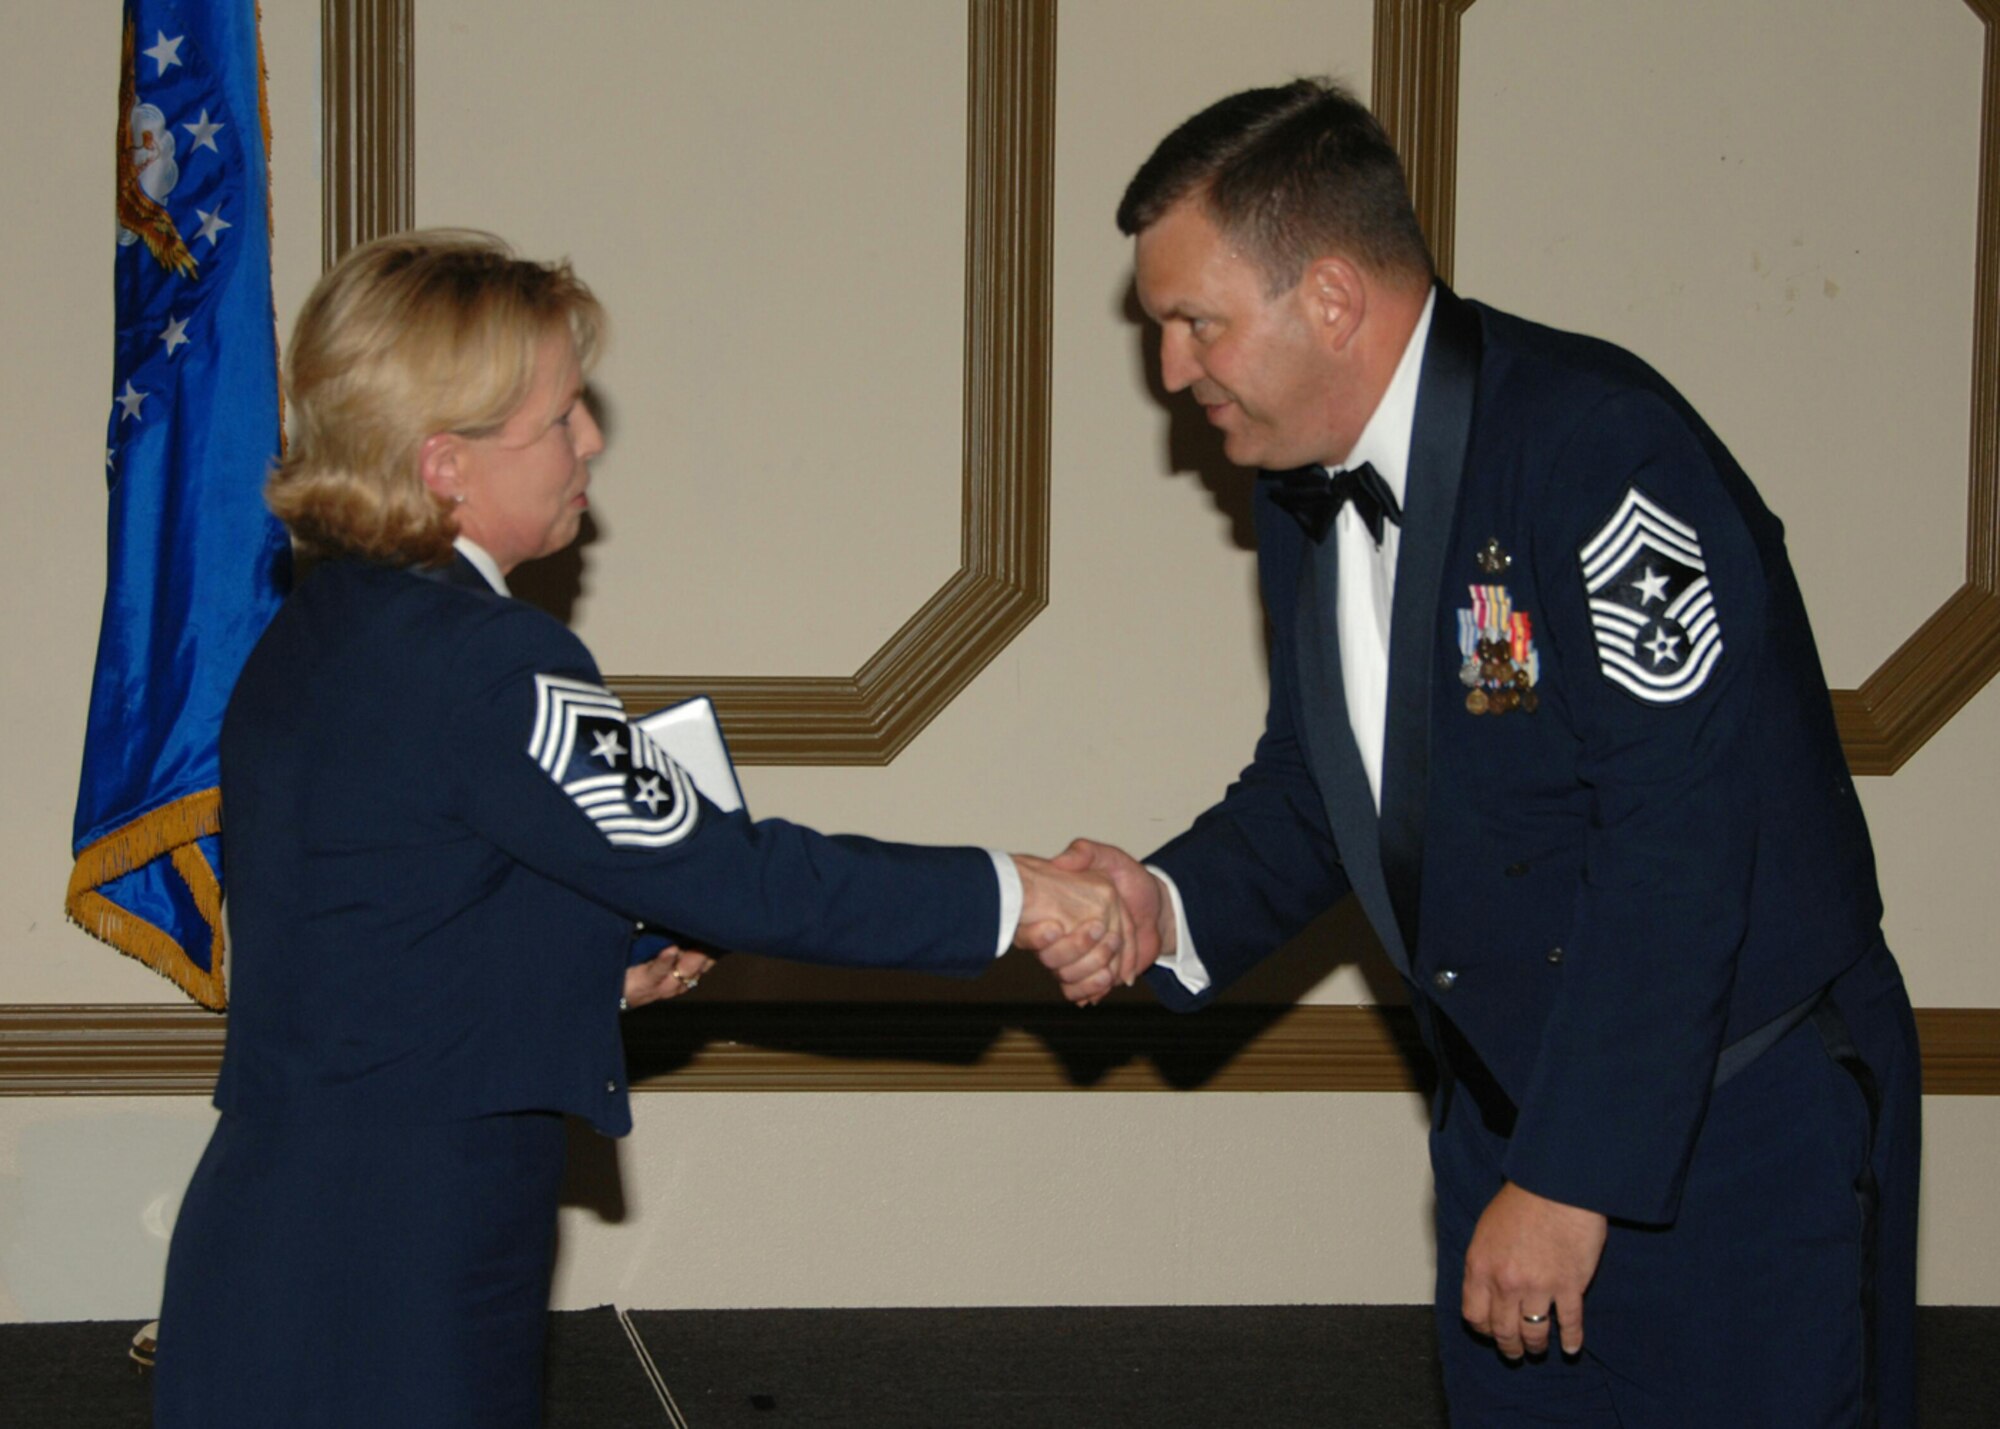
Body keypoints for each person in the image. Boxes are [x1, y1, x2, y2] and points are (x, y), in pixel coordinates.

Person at [1039, 79, 1921, 1426]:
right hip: (1507, 1134)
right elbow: (1322, 788)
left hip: (1724, 1141)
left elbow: (1681, 840)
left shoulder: (1600, 453)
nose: (1170, 370)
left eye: (1192, 323)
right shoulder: (1305, 495)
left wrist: (1574, 1178)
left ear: (1330, 298)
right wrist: (1167, 907)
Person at [152, 229, 1131, 1428]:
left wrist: (594, 967)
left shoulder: (315, 632)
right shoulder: (490, 659)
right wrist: (1020, 892)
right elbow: (742, 878)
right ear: (443, 463)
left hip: (279, 1228)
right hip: (397, 1261)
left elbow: (374, 932)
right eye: (559, 419)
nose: (590, 442)